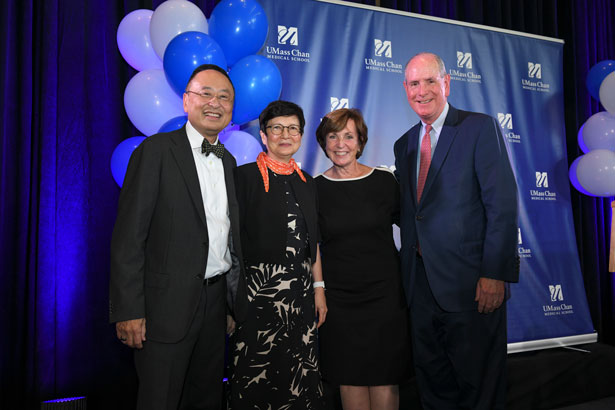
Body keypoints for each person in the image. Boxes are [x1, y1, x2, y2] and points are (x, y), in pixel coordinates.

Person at [109, 64, 246, 410]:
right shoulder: (155, 151)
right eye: (205, 94)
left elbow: (226, 239)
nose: (215, 102)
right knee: (160, 400)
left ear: (232, 108)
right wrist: (128, 309)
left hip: (215, 307)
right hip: (162, 310)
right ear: (186, 101)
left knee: (206, 399)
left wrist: (229, 305)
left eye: (224, 96)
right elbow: (128, 237)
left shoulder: (229, 162)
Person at [393, 52, 518, 410]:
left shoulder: (479, 128)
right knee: (434, 387)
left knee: (480, 389)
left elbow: (502, 206)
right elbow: (411, 213)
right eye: (414, 84)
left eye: (430, 81)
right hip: (419, 290)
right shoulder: (404, 145)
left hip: (472, 288)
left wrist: (494, 274)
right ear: (405, 89)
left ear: (447, 83)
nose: (422, 91)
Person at [229, 100, 327, 410]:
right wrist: (230, 303)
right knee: (256, 379)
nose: (285, 135)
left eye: (292, 128)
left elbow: (313, 245)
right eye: (276, 128)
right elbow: (229, 242)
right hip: (258, 298)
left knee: (297, 380)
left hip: (300, 299)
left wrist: (319, 290)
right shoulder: (242, 178)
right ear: (263, 134)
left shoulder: (308, 183)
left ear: (301, 134)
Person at [314, 108, 412, 410]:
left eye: (348, 136)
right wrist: (319, 289)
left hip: (384, 297)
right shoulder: (313, 188)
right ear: (324, 142)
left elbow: (414, 227)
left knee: (385, 375)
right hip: (339, 302)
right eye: (333, 136)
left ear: (360, 142)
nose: (340, 143)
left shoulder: (384, 181)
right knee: (349, 376)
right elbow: (312, 244)